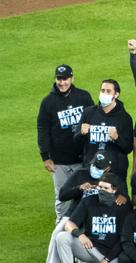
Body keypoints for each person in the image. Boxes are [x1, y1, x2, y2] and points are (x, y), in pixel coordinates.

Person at [41, 152, 129, 263]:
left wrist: (123, 197)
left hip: (100, 222)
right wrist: (79, 188)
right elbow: (62, 195)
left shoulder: (114, 179)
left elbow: (124, 198)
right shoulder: (81, 174)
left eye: (99, 167)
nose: (95, 168)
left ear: (107, 169)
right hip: (76, 214)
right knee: (58, 235)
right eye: (94, 165)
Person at [38, 64, 94, 221]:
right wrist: (45, 157)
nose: (62, 83)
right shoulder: (48, 102)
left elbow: (94, 119)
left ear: (72, 78)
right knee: (62, 196)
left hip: (82, 158)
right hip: (60, 162)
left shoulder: (83, 97)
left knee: (86, 194)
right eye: (59, 79)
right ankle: (60, 227)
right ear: (55, 79)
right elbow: (42, 129)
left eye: (65, 79)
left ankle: (81, 227)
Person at [76, 79, 134, 181]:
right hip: (91, 169)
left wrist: (117, 138)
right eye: (102, 90)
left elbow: (128, 148)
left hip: (115, 172)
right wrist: (81, 133)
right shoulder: (88, 113)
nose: (104, 94)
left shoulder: (125, 118)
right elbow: (76, 141)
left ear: (116, 94)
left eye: (108, 91)